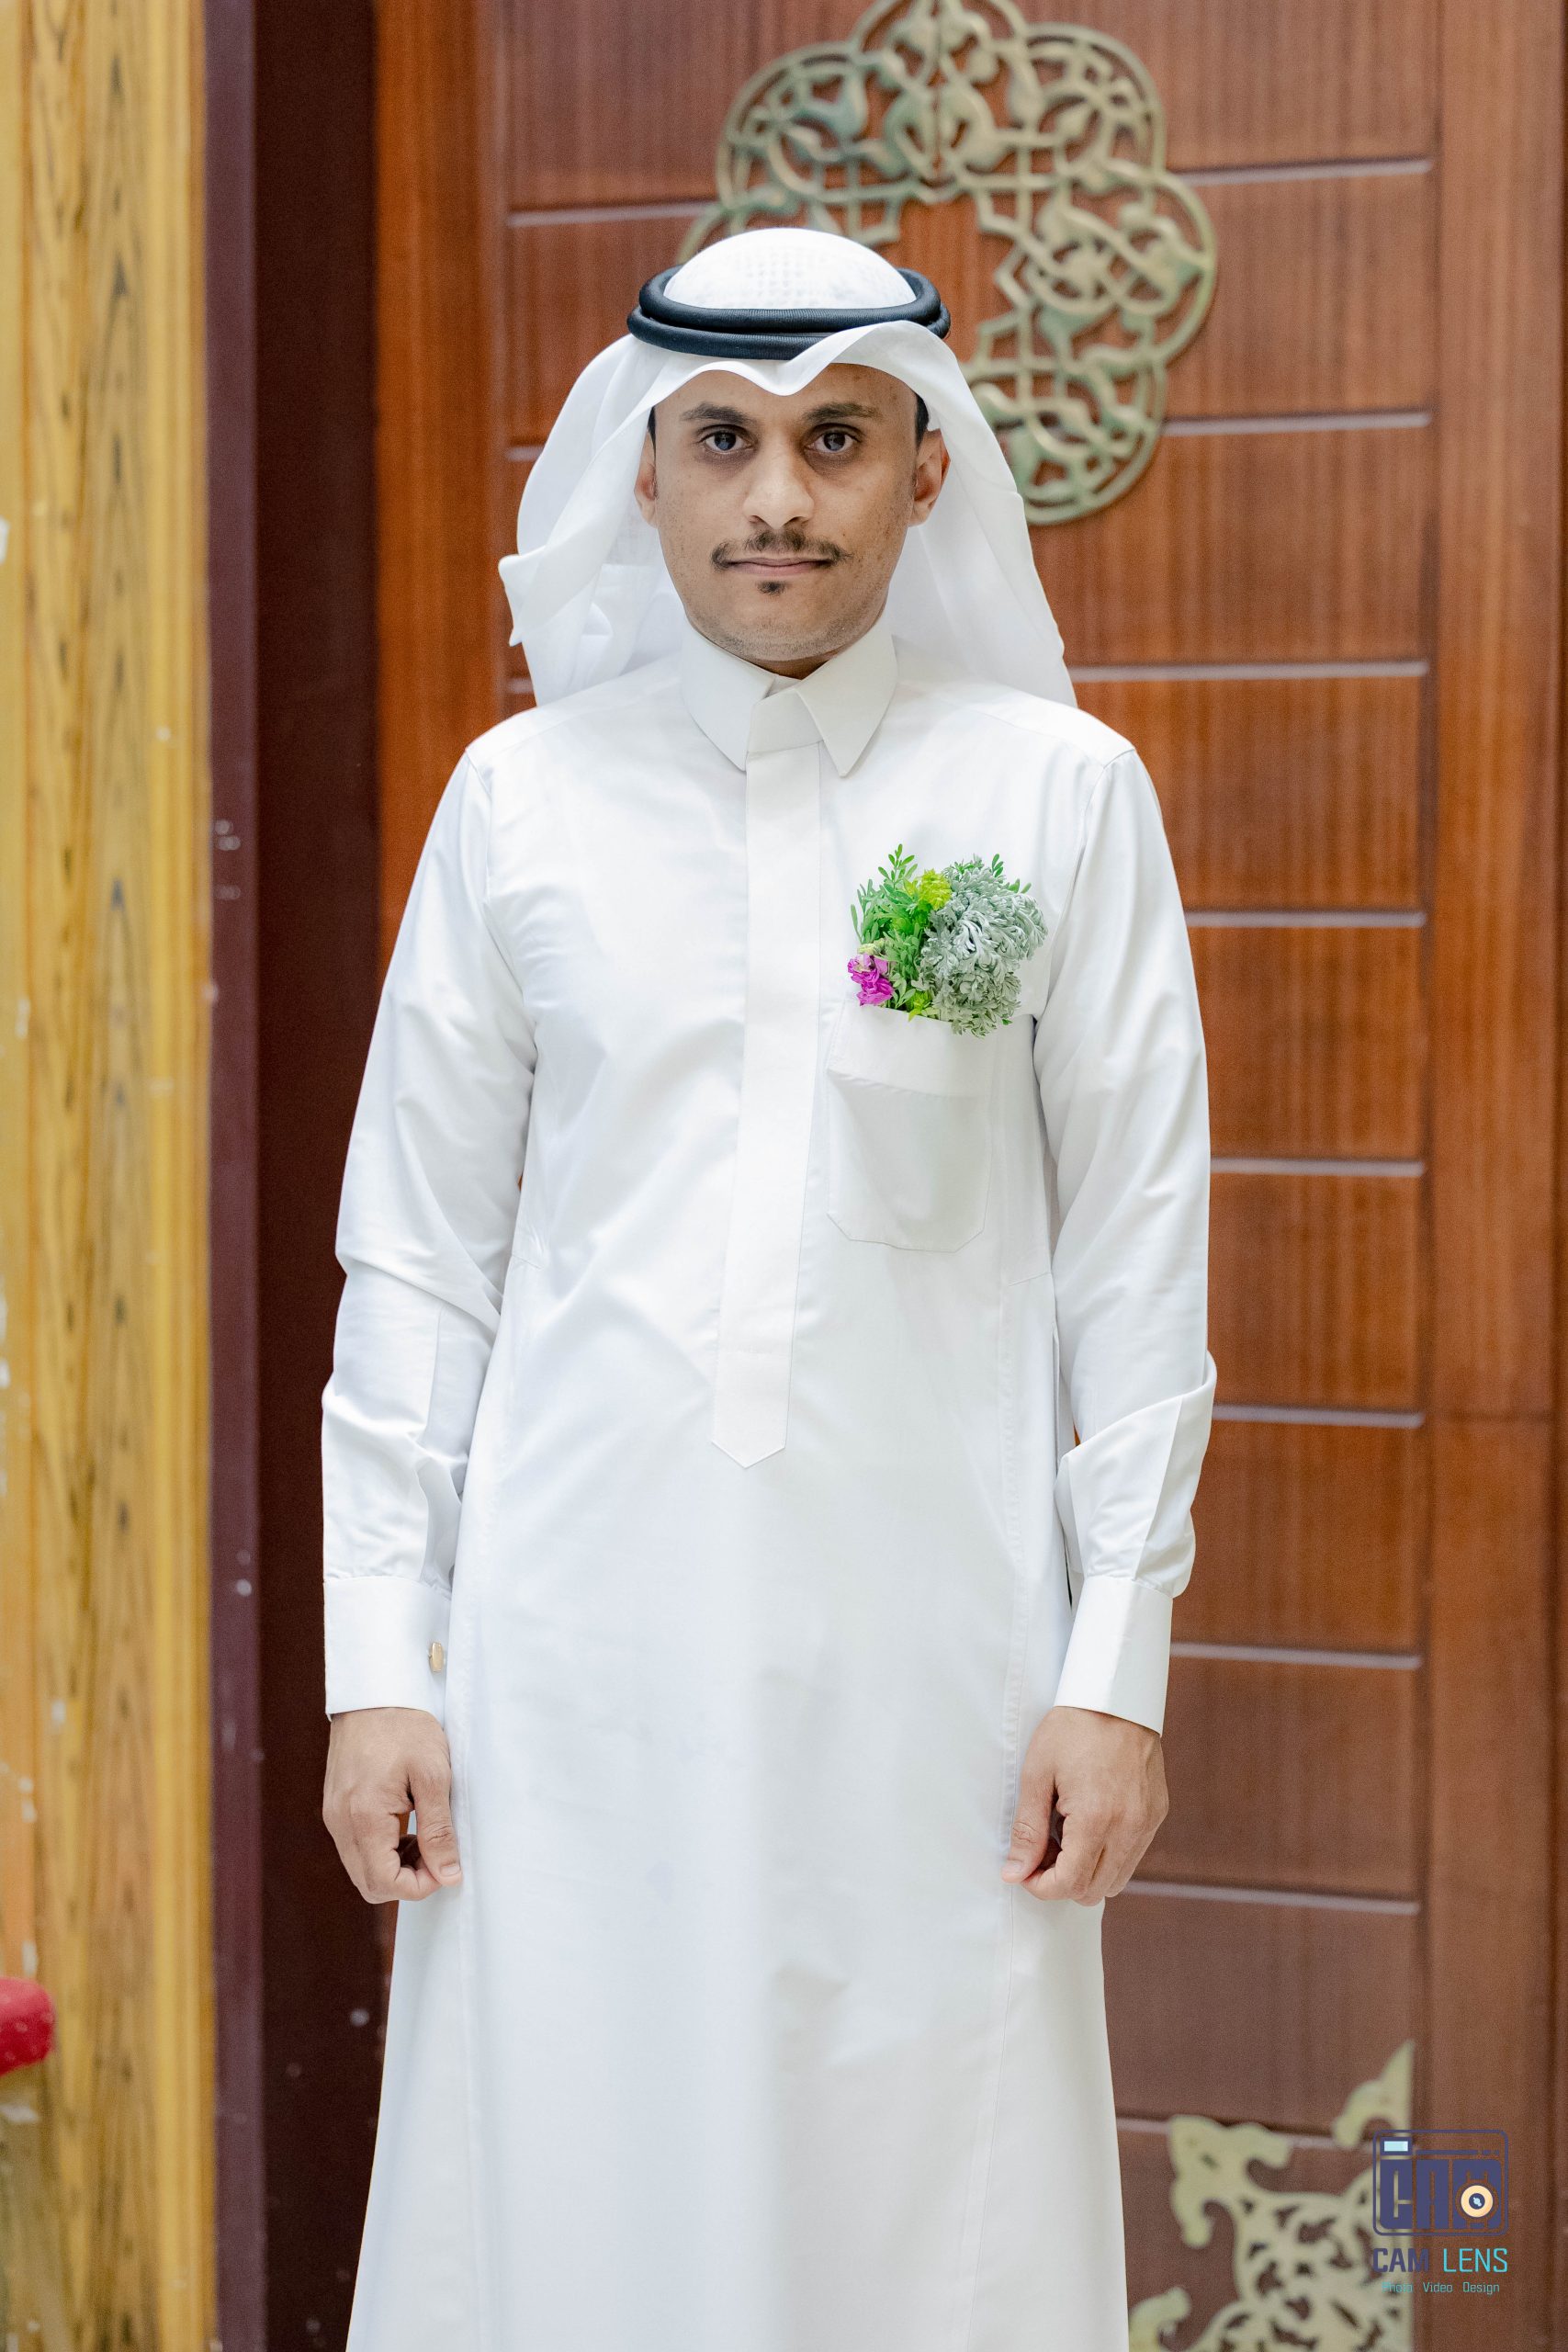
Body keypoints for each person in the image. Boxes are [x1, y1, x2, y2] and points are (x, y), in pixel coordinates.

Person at [320, 226, 1217, 2351]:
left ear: (925, 467)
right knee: (573, 2172)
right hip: (568, 1664)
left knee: (917, 2200)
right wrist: (380, 1656)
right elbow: (418, 1256)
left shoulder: (1048, 795)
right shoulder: (519, 801)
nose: (776, 497)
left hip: (936, 1666)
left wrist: (1116, 1660)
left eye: (835, 439)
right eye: (721, 440)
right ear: (643, 472)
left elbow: (1136, 1249)